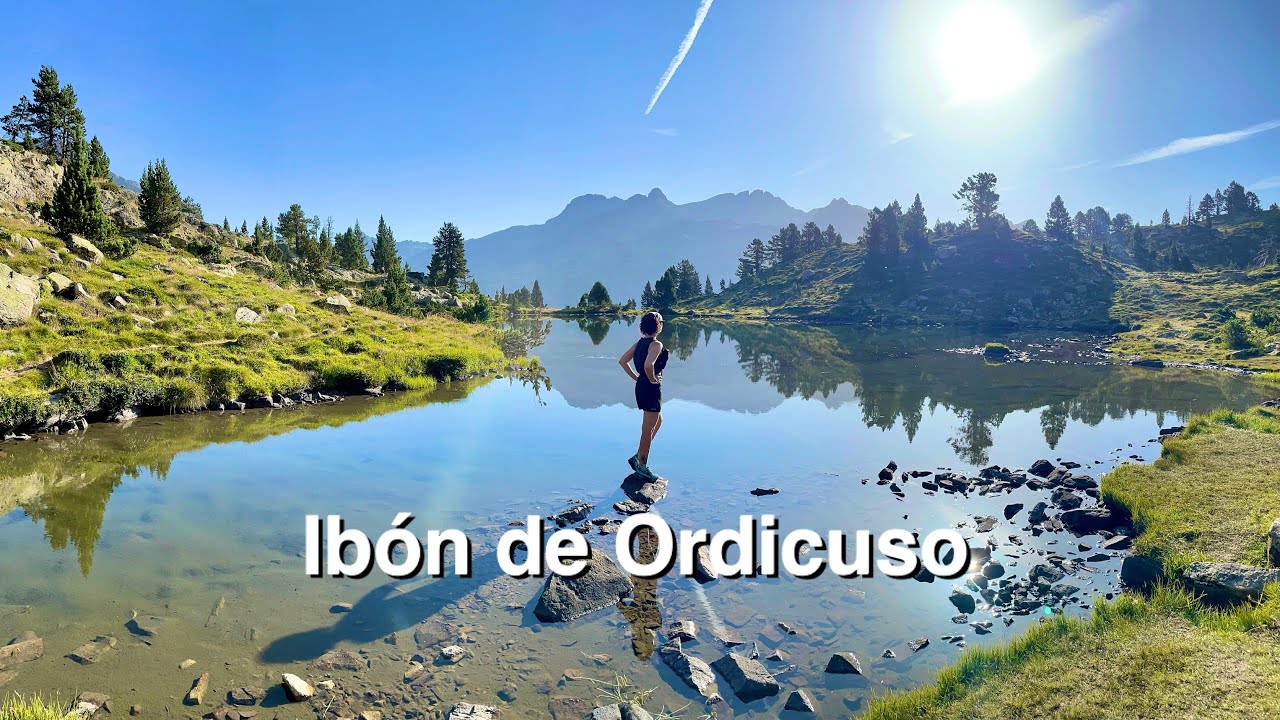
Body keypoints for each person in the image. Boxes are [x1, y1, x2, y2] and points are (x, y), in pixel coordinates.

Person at [618, 311, 668, 479]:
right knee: (648, 430)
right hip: (650, 388)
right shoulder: (656, 345)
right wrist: (652, 379)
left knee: (658, 420)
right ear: (658, 325)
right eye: (661, 322)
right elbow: (649, 365)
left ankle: (638, 455)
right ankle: (642, 466)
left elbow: (622, 361)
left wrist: (637, 378)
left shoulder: (639, 343)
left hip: (642, 386)